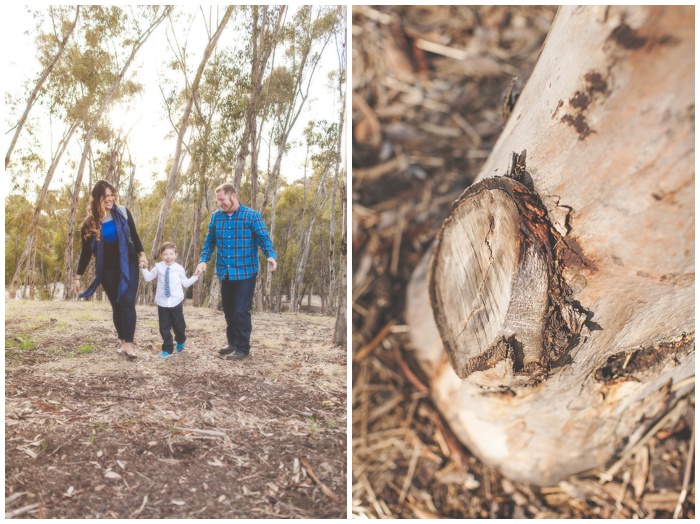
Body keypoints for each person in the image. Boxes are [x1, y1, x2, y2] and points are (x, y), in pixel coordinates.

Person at [195, 183, 277, 361]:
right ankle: (232, 342)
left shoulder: (251, 215)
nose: (219, 204)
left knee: (241, 310)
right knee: (229, 309)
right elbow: (209, 242)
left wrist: (270, 256)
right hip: (225, 271)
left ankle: (242, 348)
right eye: (218, 201)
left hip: (246, 271)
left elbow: (263, 239)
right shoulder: (216, 217)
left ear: (233, 196)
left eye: (222, 199)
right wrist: (203, 261)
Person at [74, 180, 147, 360]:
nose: (110, 199)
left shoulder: (122, 211)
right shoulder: (89, 224)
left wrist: (142, 255)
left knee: (128, 302)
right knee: (117, 304)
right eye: (106, 196)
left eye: (112, 195)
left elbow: (135, 236)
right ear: (98, 198)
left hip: (128, 263)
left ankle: (129, 345)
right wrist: (77, 277)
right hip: (107, 268)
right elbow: (85, 252)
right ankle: (122, 341)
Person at [140, 242, 198, 358]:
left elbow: (185, 284)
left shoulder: (179, 268)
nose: (168, 257)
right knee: (164, 328)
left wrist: (196, 276)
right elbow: (148, 278)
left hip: (176, 303)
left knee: (179, 326)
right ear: (161, 256)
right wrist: (143, 268)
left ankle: (180, 340)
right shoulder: (158, 267)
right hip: (162, 303)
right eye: (165, 254)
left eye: (171, 254)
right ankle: (167, 349)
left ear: (176, 255)